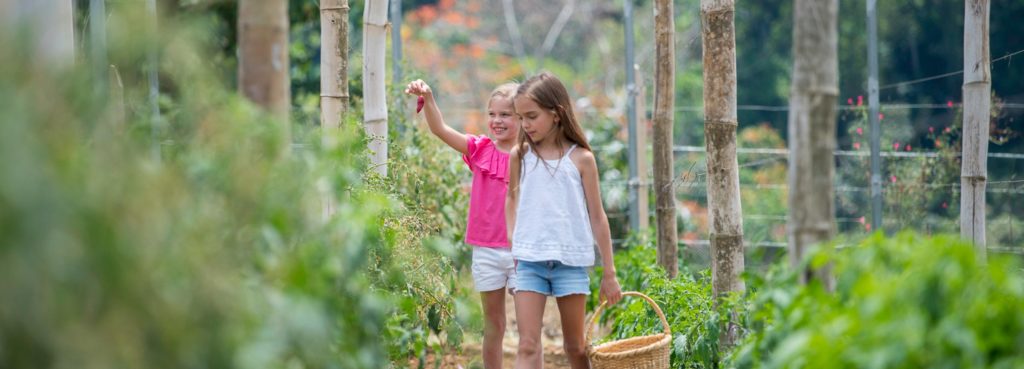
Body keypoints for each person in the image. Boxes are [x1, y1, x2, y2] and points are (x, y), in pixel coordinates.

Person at [505, 72, 622, 369]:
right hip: (529, 262)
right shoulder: (520, 155)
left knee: (576, 348)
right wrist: (513, 243)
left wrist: (609, 272)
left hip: (570, 265)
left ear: (556, 114)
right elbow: (512, 199)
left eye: (531, 116)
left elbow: (598, 217)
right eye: (521, 118)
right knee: (528, 345)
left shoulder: (581, 159)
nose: (525, 125)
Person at [405, 79, 520, 369]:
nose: (497, 120)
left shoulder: (530, 155)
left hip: (523, 250)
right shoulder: (480, 149)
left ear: (522, 116)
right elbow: (440, 129)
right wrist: (429, 98)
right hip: (487, 251)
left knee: (529, 329)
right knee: (494, 325)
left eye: (505, 114)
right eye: (492, 114)